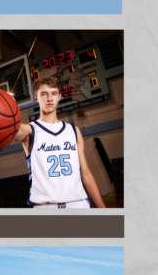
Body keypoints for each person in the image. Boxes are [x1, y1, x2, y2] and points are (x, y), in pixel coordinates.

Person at [13, 76, 106, 208]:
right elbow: (9, 131)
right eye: (44, 94)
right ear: (36, 98)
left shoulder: (74, 131)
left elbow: (86, 174)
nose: (49, 98)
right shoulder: (29, 130)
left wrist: (102, 209)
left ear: (59, 97)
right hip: (45, 207)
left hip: (78, 204)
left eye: (54, 93)